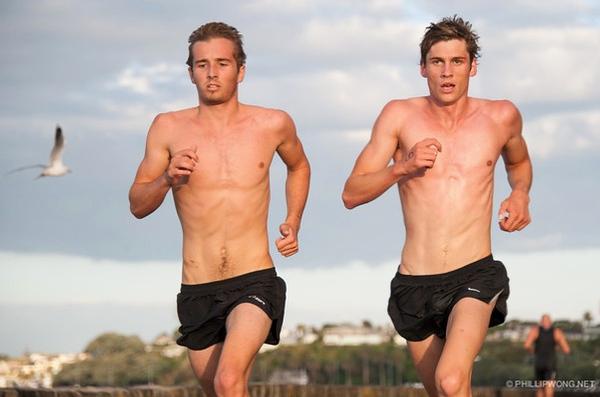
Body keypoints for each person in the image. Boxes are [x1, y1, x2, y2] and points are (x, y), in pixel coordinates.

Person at [342, 15, 532, 397]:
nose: (447, 72)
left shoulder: (501, 116)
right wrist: (403, 167)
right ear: (423, 68)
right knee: (442, 389)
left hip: (475, 273)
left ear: (472, 66)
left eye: (457, 62)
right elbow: (352, 193)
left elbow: (519, 163)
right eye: (437, 62)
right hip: (415, 283)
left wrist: (521, 193)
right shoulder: (398, 115)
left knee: (450, 379)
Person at [129, 22, 310, 397]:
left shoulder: (272, 123)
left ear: (241, 70)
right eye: (202, 64)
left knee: (228, 379)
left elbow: (299, 166)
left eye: (223, 64)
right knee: (219, 388)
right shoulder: (167, 128)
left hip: (254, 277)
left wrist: (293, 220)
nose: (212, 73)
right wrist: (167, 179)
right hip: (197, 286)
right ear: (190, 72)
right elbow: (137, 204)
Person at [524, 314, 571, 397]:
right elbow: (566, 350)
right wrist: (556, 348)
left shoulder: (535, 331)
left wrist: (534, 351)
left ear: (541, 322)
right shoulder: (556, 332)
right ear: (550, 322)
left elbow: (527, 345)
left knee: (540, 388)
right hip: (550, 364)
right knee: (549, 389)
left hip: (539, 364)